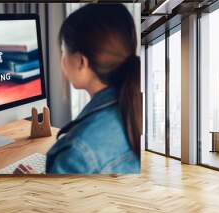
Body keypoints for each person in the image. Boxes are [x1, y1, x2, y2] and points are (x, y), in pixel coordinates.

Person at [15, 4, 141, 174]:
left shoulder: (78, 151)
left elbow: (58, 201)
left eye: (63, 51)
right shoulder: (135, 108)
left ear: (81, 61)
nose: (61, 59)